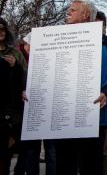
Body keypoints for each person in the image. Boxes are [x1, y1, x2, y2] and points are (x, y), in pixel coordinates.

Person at [55, 0, 107, 175]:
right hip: (64, 117)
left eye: (73, 10)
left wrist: (106, 92)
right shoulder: (57, 40)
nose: (68, 12)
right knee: (63, 164)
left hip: (94, 117)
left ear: (85, 15)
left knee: (90, 165)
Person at [14, 32, 57, 175]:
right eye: (31, 45)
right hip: (29, 111)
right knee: (31, 151)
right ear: (26, 45)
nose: (32, 48)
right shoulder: (18, 58)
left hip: (49, 109)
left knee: (51, 151)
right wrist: (20, 90)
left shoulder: (48, 58)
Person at [0, 17, 27, 175]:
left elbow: (27, 78)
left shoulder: (16, 53)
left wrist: (14, 67)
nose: (1, 32)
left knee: (6, 155)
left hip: (11, 113)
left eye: (3, 29)